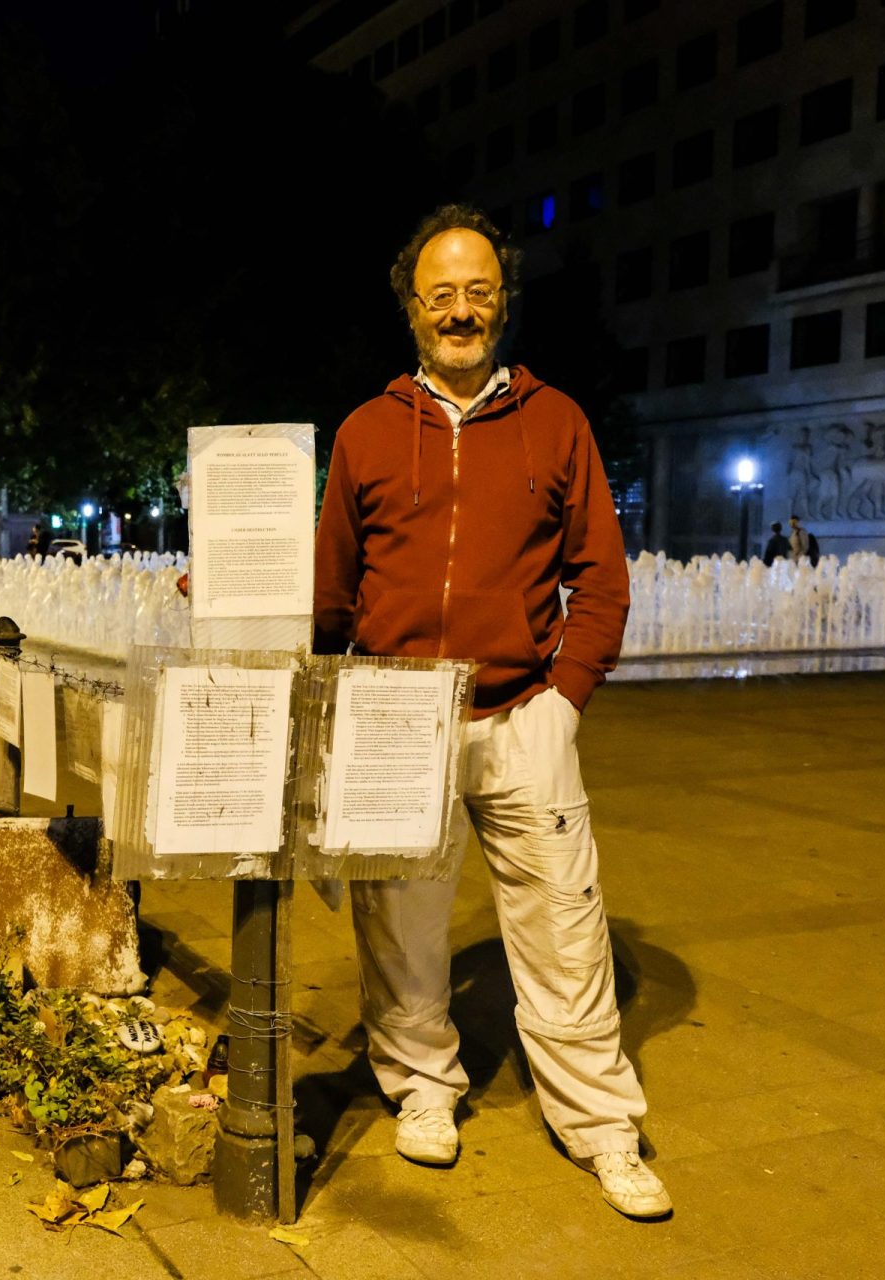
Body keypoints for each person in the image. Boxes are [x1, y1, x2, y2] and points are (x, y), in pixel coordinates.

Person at [313, 204, 670, 1220]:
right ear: (412, 307)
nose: (459, 310)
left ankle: (601, 1123)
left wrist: (567, 696)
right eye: (441, 294)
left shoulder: (556, 420)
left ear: (502, 301)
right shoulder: (368, 430)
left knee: (565, 927)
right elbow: (331, 590)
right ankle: (425, 1082)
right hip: (394, 713)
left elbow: (601, 578)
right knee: (404, 928)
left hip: (521, 717)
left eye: (478, 291)